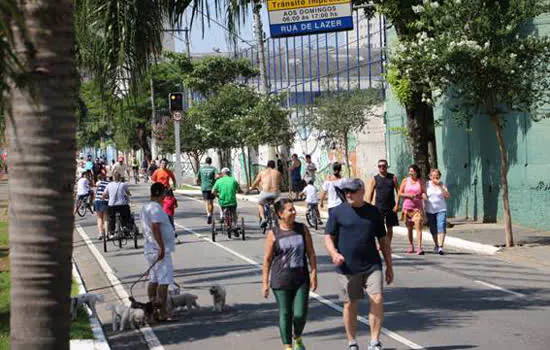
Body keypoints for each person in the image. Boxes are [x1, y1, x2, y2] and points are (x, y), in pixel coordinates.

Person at [324, 179, 393, 350]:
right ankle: (352, 342)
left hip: (372, 264)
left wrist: (389, 266)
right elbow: (328, 236)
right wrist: (334, 253)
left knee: (377, 298)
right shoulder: (338, 212)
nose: (349, 194)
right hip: (347, 267)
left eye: (353, 191)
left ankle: (374, 341)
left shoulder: (373, 212)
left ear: (362, 191)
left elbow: (383, 240)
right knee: (350, 303)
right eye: (347, 191)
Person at [263, 199, 317, 350]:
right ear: (280, 214)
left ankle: (297, 336)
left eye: (294, 209)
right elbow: (267, 260)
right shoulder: (273, 233)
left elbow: (311, 254)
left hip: (301, 279)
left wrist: (314, 274)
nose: (294, 212)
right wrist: (265, 283)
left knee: (300, 314)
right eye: (290, 210)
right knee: (285, 313)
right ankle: (287, 346)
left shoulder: (302, 229)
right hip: (280, 280)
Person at [141, 183, 176, 322]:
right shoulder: (155, 208)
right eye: (164, 194)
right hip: (158, 249)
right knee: (164, 281)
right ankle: (162, 312)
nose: (164, 197)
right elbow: (155, 228)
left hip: (150, 248)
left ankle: (152, 310)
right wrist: (161, 247)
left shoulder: (146, 207)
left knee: (154, 279)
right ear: (160, 193)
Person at [366, 160, 399, 247]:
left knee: (390, 227)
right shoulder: (375, 178)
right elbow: (371, 192)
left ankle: (387, 244)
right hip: (379, 206)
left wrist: (397, 204)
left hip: (391, 206)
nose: (382, 168)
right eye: (379, 166)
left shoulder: (393, 177)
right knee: (379, 227)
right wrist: (369, 205)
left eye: (383, 166)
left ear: (387, 166)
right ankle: (381, 244)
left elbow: (398, 192)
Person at [396, 164, 427, 255]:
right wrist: (409, 195)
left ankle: (419, 247)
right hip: (407, 208)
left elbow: (424, 193)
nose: (410, 173)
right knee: (409, 228)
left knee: (418, 227)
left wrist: (424, 196)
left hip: (417, 209)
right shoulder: (405, 181)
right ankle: (411, 245)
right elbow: (400, 193)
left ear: (416, 172)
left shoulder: (420, 182)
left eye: (412, 171)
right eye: (409, 171)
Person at [250, 160, 282, 228]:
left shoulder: (262, 172)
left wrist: (251, 188)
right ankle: (276, 214)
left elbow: (256, 182)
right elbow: (279, 183)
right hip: (275, 193)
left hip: (265, 193)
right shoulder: (278, 173)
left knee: (260, 203)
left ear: (267, 165)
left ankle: (263, 218)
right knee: (276, 202)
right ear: (274, 166)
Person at [426, 169, 450, 255]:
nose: (435, 177)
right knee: (433, 229)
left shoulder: (442, 184)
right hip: (430, 210)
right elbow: (423, 194)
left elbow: (447, 196)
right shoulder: (427, 184)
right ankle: (436, 244)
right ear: (430, 177)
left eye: (437, 176)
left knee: (441, 225)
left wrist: (440, 186)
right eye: (433, 176)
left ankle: (441, 246)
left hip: (441, 209)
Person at [212, 168, 242, 235]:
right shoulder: (233, 180)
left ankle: (222, 215)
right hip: (232, 201)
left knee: (219, 201)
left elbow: (213, 191)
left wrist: (218, 196)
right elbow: (239, 189)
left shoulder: (219, 181)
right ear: (229, 173)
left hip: (223, 202)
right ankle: (235, 224)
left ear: (222, 174)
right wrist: (240, 191)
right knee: (234, 212)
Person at [102, 172, 132, 237]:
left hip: (112, 205)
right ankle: (124, 226)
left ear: (113, 178)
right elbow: (128, 193)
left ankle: (112, 232)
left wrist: (103, 198)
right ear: (120, 177)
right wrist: (128, 195)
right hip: (122, 205)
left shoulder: (109, 185)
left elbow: (104, 194)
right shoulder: (123, 184)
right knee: (126, 215)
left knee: (111, 218)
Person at [196, 157, 218, 224]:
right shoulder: (213, 168)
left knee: (207, 202)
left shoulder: (201, 169)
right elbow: (217, 176)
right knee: (211, 202)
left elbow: (197, 178)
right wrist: (214, 181)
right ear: (211, 162)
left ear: (205, 162)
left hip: (204, 187)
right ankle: (210, 214)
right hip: (212, 187)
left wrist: (199, 183)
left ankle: (208, 214)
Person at [93, 173, 110, 240]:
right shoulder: (108, 184)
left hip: (97, 201)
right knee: (105, 218)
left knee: (99, 218)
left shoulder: (98, 184)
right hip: (105, 201)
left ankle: (100, 233)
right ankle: (106, 234)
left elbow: (95, 193)